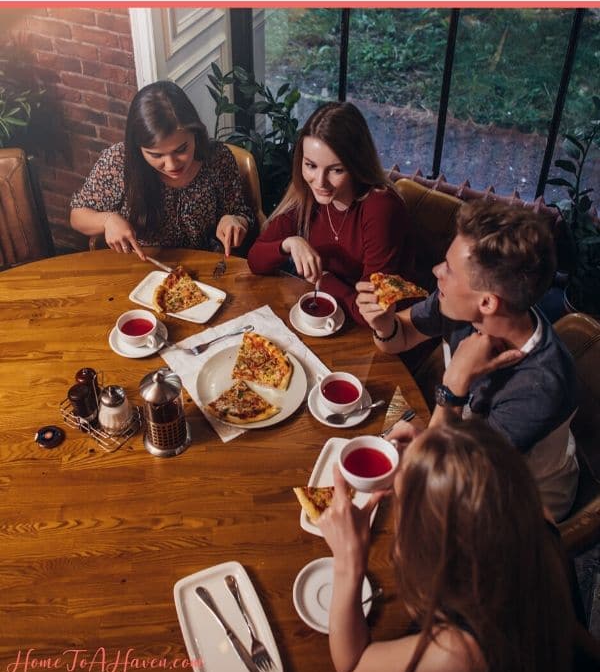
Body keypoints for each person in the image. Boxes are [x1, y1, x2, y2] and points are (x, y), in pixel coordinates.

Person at [357, 199, 579, 520]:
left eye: (448, 269)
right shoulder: (462, 308)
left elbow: (448, 472)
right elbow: (400, 337)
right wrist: (384, 325)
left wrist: (454, 385)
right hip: (461, 444)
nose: (436, 272)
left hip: (520, 498)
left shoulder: (541, 386)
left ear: (487, 302)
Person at [319, 419, 575, 672]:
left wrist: (348, 565)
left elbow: (352, 665)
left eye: (401, 504)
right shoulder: (535, 521)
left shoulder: (459, 655)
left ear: (433, 553)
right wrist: (435, 456)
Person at [247, 101, 415, 325]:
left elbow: (372, 314)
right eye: (310, 165)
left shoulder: (381, 207)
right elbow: (255, 260)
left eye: (336, 170)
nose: (320, 182)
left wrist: (325, 280)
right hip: (335, 313)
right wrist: (289, 243)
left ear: (357, 165)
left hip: (390, 330)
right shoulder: (307, 195)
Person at [70, 80, 255, 258]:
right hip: (143, 266)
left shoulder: (217, 157)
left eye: (181, 149)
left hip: (207, 266)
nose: (172, 165)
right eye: (156, 155)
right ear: (138, 148)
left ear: (195, 133)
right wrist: (107, 220)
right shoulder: (118, 161)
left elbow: (242, 212)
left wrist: (234, 220)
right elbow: (77, 215)